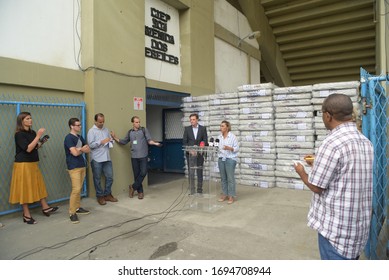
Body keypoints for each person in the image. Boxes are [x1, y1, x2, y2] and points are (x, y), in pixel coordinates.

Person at [294, 93, 374, 260]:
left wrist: (301, 172)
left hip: (335, 234)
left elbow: (317, 186)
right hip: (357, 231)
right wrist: (317, 163)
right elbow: (345, 174)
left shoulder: (331, 143)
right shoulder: (366, 142)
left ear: (328, 116)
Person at [8, 112, 58, 224]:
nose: (30, 120)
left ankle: (45, 207)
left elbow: (35, 147)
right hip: (23, 165)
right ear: (22, 121)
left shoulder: (32, 133)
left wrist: (41, 141)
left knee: (38, 185)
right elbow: (28, 149)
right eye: (27, 118)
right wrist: (38, 136)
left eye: (31, 118)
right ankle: (26, 215)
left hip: (33, 163)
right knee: (24, 189)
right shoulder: (19, 134)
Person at [111, 116, 161, 199]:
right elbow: (124, 141)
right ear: (133, 123)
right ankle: (140, 192)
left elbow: (149, 140)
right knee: (136, 175)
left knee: (143, 172)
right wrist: (114, 137)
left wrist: (155, 143)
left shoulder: (144, 130)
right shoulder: (130, 132)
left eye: (139, 122)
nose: (138, 124)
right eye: (136, 122)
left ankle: (133, 187)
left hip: (143, 156)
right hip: (134, 157)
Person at [64, 117, 91, 224]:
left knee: (79, 189)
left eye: (80, 125)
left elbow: (87, 149)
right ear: (72, 126)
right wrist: (80, 150)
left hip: (81, 165)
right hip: (73, 166)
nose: (80, 127)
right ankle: (72, 212)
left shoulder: (79, 137)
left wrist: (79, 149)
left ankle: (77, 207)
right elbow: (74, 153)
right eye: (78, 125)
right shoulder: (69, 138)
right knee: (76, 189)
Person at [87, 113, 118, 205]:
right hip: (96, 158)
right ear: (95, 121)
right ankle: (100, 196)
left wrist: (111, 139)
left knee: (110, 177)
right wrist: (101, 141)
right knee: (97, 178)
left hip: (107, 157)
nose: (102, 123)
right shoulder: (91, 131)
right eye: (100, 122)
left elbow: (109, 141)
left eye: (103, 121)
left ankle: (107, 194)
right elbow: (91, 145)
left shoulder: (106, 130)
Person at [183, 113, 208, 194]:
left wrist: (200, 149)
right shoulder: (187, 129)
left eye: (193, 119)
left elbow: (205, 140)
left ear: (197, 120)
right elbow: (184, 142)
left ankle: (199, 190)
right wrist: (190, 150)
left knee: (199, 172)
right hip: (190, 154)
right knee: (191, 172)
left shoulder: (203, 129)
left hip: (200, 154)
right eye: (190, 120)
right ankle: (192, 190)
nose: (192, 121)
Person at [217, 121, 239, 204]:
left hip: (230, 159)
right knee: (223, 178)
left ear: (227, 127)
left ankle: (231, 196)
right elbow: (217, 147)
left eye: (222, 126)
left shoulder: (232, 136)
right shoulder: (219, 137)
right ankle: (224, 194)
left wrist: (229, 148)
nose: (221, 127)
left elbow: (236, 148)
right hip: (221, 159)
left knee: (230, 178)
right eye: (220, 126)